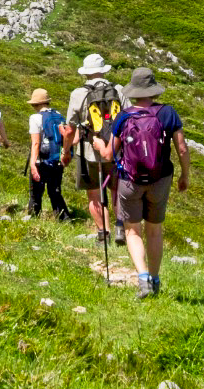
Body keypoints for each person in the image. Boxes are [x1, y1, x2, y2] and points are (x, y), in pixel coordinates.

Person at [96, 66, 189, 299]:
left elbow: (109, 155)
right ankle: (156, 280)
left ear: (133, 91)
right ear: (154, 91)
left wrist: (99, 145)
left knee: (133, 231)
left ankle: (143, 278)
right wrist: (184, 175)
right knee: (155, 230)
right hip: (160, 180)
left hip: (130, 181)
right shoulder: (168, 113)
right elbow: (182, 148)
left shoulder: (124, 116)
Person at [65, 53, 123, 245]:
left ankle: (102, 234)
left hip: (88, 151)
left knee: (94, 194)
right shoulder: (119, 90)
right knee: (116, 191)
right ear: (104, 70)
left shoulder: (78, 94)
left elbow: (70, 127)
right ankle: (120, 227)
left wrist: (66, 151)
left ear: (86, 73)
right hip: (116, 151)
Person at [26, 87, 71, 220]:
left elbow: (35, 143)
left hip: (42, 159)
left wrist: (33, 163)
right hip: (57, 158)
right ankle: (64, 219)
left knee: (36, 191)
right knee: (55, 190)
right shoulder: (58, 115)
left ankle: (34, 217)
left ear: (36, 104)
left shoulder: (35, 117)